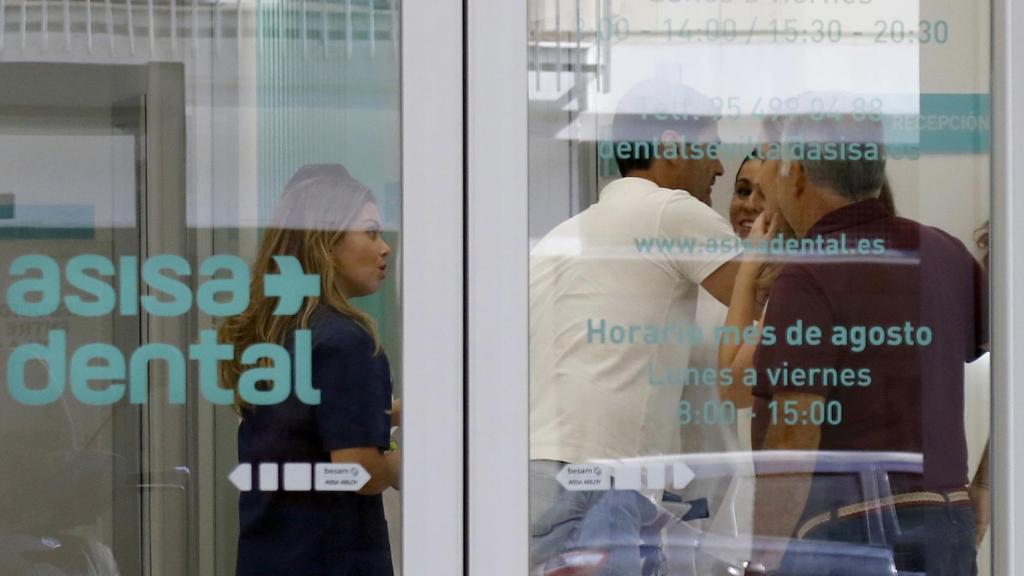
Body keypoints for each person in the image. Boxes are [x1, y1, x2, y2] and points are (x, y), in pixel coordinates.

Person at [743, 115, 987, 576]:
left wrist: (763, 558)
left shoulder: (809, 274)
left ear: (797, 174)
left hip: (849, 537)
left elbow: (795, 434)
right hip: (945, 527)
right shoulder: (944, 253)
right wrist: (987, 486)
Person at [529, 79, 742, 574]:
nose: (719, 167)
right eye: (710, 148)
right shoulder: (672, 212)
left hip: (539, 476)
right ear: (670, 146)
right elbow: (768, 299)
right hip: (596, 482)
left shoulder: (562, 236)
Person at [222, 164, 400, 576]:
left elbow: (308, 424)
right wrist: (402, 463)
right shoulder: (347, 341)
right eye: (371, 232)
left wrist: (393, 411)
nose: (385, 247)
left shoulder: (280, 333)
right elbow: (358, 472)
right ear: (326, 244)